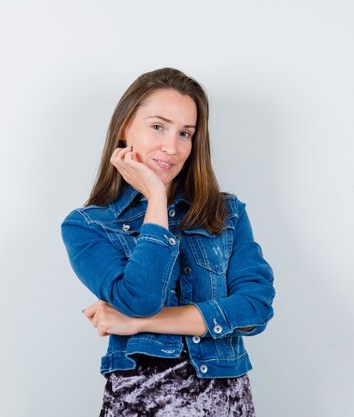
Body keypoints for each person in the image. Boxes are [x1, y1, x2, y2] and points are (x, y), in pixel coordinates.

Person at [60, 67, 275, 416]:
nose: (172, 147)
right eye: (158, 126)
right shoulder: (88, 226)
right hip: (141, 401)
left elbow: (256, 308)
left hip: (226, 402)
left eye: (185, 133)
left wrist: (139, 324)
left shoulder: (226, 212)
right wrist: (156, 200)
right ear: (124, 127)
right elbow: (140, 299)